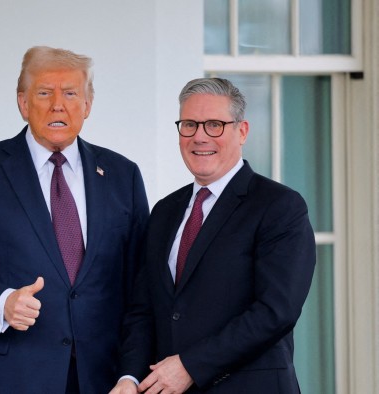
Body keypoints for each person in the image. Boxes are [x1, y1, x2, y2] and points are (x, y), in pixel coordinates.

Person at [0, 46, 150, 393]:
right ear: (23, 103)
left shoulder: (123, 175)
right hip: (2, 377)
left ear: (87, 105)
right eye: (44, 93)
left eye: (71, 93)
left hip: (99, 377)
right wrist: (2, 301)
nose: (57, 104)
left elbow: (140, 289)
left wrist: (131, 373)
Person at [111, 77, 316, 394]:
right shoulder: (165, 212)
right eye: (189, 125)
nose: (199, 136)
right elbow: (144, 310)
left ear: (242, 131)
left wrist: (190, 366)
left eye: (215, 125)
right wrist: (130, 377)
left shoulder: (279, 206)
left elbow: (276, 312)